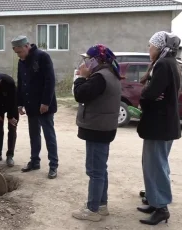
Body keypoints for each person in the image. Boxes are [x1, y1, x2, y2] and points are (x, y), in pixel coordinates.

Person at [71, 44, 122, 222]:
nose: (84, 63)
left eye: (87, 59)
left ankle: (92, 210)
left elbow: (80, 94)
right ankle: (101, 204)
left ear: (96, 60)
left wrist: (81, 78)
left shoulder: (100, 77)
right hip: (103, 128)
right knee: (100, 169)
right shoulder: (109, 74)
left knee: (95, 171)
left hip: (97, 128)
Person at [136, 31, 182, 225]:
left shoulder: (163, 64)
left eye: (151, 45)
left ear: (160, 47)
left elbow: (152, 93)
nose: (149, 48)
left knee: (156, 166)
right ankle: (155, 201)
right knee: (152, 164)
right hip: (162, 124)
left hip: (159, 125)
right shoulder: (169, 63)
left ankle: (161, 207)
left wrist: (144, 98)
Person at [11, 35, 58, 179]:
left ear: (27, 46)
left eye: (20, 52)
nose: (19, 55)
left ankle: (53, 165)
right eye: (16, 53)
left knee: (48, 135)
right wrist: (19, 103)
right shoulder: (22, 61)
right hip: (30, 105)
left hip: (44, 105)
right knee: (34, 134)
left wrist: (45, 102)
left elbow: (50, 81)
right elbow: (21, 82)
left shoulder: (42, 57)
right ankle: (34, 161)